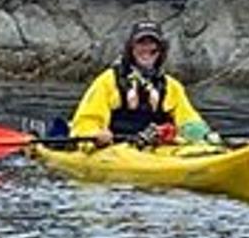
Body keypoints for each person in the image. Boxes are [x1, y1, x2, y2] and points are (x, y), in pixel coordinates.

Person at [69, 20, 213, 146]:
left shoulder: (171, 86)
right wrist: (95, 134)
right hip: (114, 149)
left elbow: (189, 120)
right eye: (141, 43)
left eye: (152, 44)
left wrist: (204, 136)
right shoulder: (108, 81)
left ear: (161, 50)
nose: (147, 49)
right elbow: (85, 122)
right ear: (131, 48)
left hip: (156, 148)